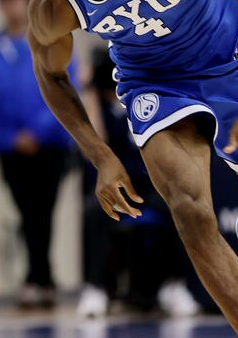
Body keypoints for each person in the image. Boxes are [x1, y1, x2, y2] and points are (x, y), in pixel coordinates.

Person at [27, 0, 238, 336]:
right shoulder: (55, 1)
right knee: (190, 211)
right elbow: (51, 76)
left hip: (226, 61)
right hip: (154, 85)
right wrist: (102, 156)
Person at [78, 49, 199, 318]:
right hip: (119, 188)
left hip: (152, 187)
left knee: (183, 207)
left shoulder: (142, 100)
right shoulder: (102, 109)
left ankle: (174, 285)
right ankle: (95, 288)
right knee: (92, 211)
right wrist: (88, 91)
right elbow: (96, 142)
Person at [0, 0, 72, 309]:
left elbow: (63, 89)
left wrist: (38, 131)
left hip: (50, 145)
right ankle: (41, 276)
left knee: (43, 211)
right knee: (27, 211)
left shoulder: (50, 41)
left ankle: (37, 278)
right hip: (12, 150)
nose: (10, 4)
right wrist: (11, 137)